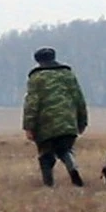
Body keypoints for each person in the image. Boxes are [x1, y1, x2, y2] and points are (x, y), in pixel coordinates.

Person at [22, 47, 88, 187]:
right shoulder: (68, 74)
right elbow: (79, 98)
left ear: (38, 61)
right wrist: (82, 121)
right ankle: (73, 168)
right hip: (68, 122)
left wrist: (29, 126)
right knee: (64, 149)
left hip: (45, 124)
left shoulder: (36, 78)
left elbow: (32, 103)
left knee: (46, 155)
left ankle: (48, 185)